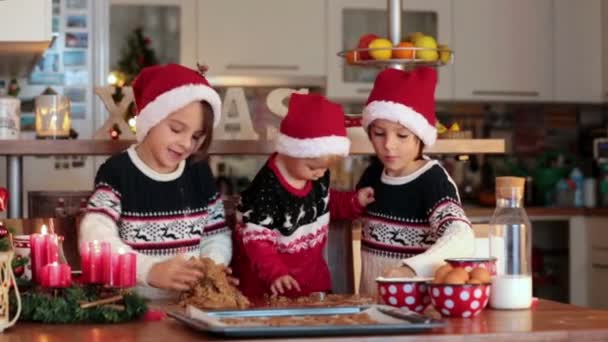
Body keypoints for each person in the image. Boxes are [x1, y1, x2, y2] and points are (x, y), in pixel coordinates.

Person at [80, 64, 231, 299]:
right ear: (151, 120)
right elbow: (95, 237)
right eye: (176, 129)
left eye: (196, 137)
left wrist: (210, 266)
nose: (185, 144)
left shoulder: (198, 172)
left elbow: (216, 234)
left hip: (189, 308)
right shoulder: (117, 172)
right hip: (132, 309)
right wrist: (150, 270)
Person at [233, 93, 374, 299]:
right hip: (270, 289)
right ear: (292, 150)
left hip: (312, 284)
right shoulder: (264, 191)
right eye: (312, 167)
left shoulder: (317, 174)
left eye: (324, 169)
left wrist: (354, 201)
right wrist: (275, 273)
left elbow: (325, 201)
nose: (319, 174)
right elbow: (257, 241)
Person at [356, 67, 475, 296]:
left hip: (418, 312)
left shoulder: (432, 180)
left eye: (402, 135)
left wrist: (411, 270)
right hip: (372, 309)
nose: (389, 145)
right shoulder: (372, 175)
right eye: (379, 133)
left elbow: (461, 236)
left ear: (421, 136)